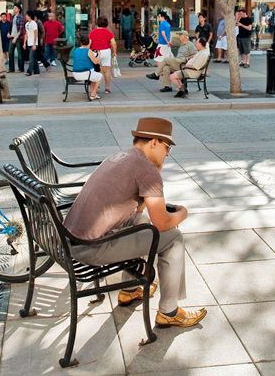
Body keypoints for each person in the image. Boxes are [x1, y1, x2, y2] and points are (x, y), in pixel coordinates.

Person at [64, 117, 207, 328]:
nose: (168, 154)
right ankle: (169, 311)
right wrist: (183, 213)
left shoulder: (119, 157)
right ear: (154, 142)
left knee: (141, 220)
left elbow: (135, 211)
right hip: (92, 249)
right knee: (174, 238)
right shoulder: (146, 169)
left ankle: (129, 290)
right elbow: (161, 223)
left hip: (72, 242)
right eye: (168, 148)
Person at [89, 17, 117, 94]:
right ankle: (107, 88)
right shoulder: (108, 32)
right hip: (106, 51)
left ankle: (96, 87)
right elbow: (113, 43)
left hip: (95, 52)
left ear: (97, 23)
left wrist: (87, 52)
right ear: (106, 24)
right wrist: (114, 52)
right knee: (106, 70)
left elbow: (89, 43)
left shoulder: (93, 32)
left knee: (95, 70)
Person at [71, 34, 102, 100]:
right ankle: (93, 94)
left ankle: (93, 93)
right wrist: (99, 55)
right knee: (100, 76)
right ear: (88, 42)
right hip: (86, 74)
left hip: (75, 74)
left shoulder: (76, 50)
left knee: (94, 75)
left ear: (80, 42)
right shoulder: (89, 51)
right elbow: (96, 62)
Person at [8, 4, 26, 73]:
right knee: (10, 53)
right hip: (12, 37)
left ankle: (21, 68)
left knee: (19, 54)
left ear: (19, 9)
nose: (14, 9)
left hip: (18, 38)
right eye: (14, 8)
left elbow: (21, 29)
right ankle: (11, 69)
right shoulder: (13, 17)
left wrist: (15, 38)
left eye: (15, 8)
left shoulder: (21, 17)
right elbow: (11, 27)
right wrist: (9, 33)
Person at [25, 10, 40, 76]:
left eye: (26, 15)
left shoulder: (34, 23)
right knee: (34, 58)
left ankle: (29, 71)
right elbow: (26, 34)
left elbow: (36, 34)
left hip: (34, 44)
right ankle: (37, 71)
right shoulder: (26, 24)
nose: (25, 16)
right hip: (29, 43)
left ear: (29, 16)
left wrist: (34, 44)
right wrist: (24, 43)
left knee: (31, 58)